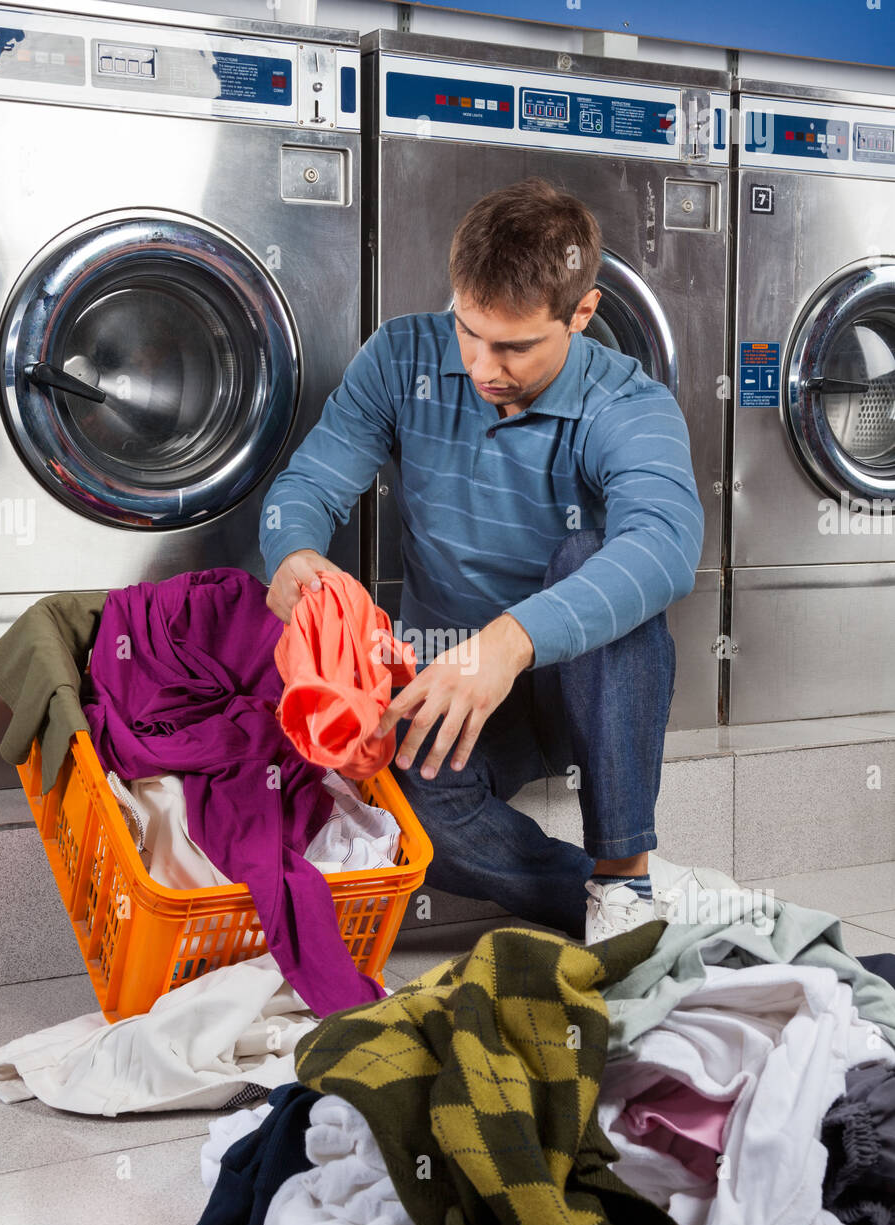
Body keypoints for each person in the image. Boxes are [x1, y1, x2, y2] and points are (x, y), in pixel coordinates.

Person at [260, 177, 703, 943]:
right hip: (447, 682)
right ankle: (619, 911)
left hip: (580, 689)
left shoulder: (629, 404)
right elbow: (308, 484)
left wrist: (507, 643)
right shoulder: (403, 358)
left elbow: (664, 549)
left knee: (593, 556)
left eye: (515, 345)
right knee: (407, 808)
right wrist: (293, 551)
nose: (482, 365)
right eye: (468, 330)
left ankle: (626, 874)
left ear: (583, 314)